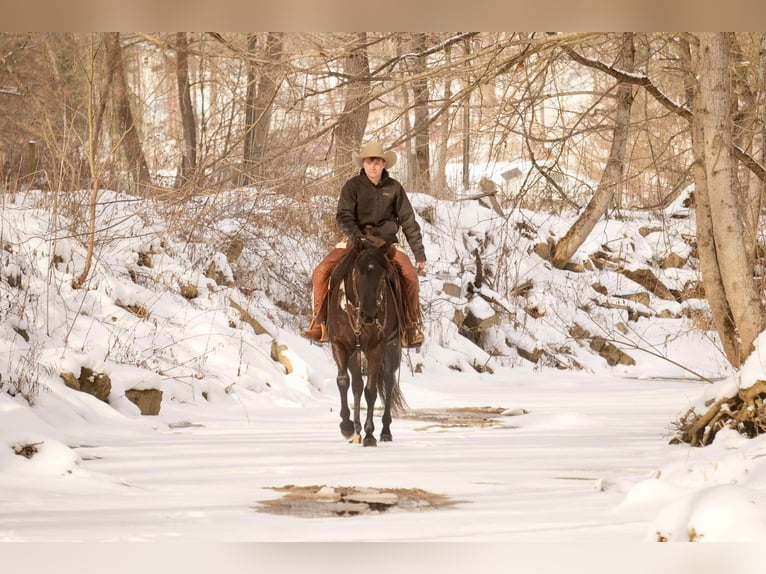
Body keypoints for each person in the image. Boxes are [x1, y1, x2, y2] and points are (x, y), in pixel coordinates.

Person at [302, 141, 427, 347]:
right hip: (356, 240)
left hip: (386, 243)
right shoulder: (353, 186)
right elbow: (344, 215)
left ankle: (411, 326)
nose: (373, 166)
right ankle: (319, 322)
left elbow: (408, 221)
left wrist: (419, 254)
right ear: (363, 163)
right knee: (321, 272)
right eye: (369, 162)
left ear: (384, 164)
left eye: (377, 162)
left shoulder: (394, 188)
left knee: (411, 276)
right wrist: (357, 236)